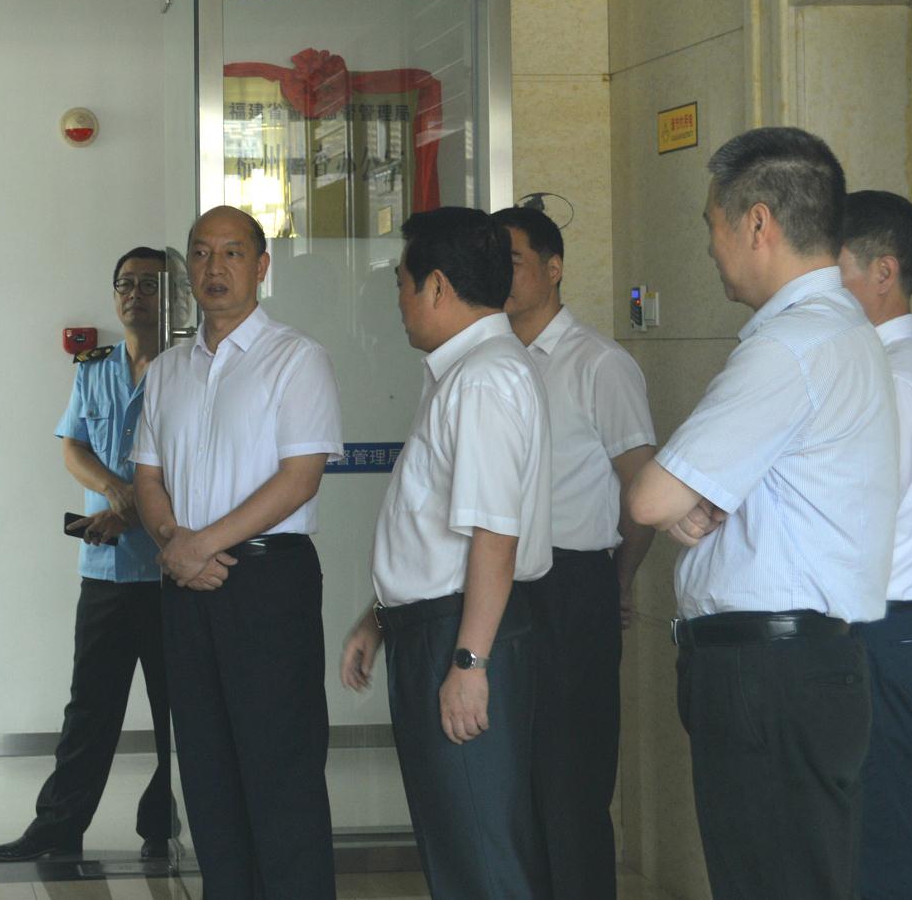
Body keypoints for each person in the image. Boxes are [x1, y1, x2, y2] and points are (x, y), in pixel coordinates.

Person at [627, 126, 897, 899]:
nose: (709, 246)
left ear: (756, 224)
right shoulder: (838, 331)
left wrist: (678, 502)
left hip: (769, 673)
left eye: (711, 224)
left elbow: (649, 497)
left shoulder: (790, 346)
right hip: (798, 664)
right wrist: (691, 500)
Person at [341, 206, 552, 899]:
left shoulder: (485, 378)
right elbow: (434, 527)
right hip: (440, 626)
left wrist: (469, 662)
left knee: (481, 852)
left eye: (401, 285)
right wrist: (379, 615)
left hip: (461, 633)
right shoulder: (463, 371)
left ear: (435, 285)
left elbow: (494, 534)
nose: (399, 304)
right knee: (458, 845)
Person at [131, 205, 341, 899]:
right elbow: (148, 477)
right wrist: (174, 544)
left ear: (261, 266)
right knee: (206, 767)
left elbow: (299, 478)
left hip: (266, 579)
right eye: (200, 253)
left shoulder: (296, 358)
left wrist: (200, 544)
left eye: (231, 252)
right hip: (184, 580)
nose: (213, 267)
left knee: (280, 769)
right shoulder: (167, 370)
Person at [0, 247, 175, 863]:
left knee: (177, 711)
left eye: (149, 284)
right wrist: (115, 492)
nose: (135, 295)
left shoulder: (189, 369)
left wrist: (128, 508)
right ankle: (58, 826)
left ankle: (163, 819)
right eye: (125, 284)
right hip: (105, 570)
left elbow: (193, 465)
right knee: (90, 707)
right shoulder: (94, 368)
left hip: (172, 569)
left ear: (172, 295)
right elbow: (73, 446)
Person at [493, 205, 656, 899]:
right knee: (508, 784)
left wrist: (616, 581)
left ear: (553, 268)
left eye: (512, 260)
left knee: (572, 784)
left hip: (572, 585)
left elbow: (643, 490)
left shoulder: (599, 364)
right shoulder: (482, 360)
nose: (498, 275)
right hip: (496, 582)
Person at [836, 189, 912, 900]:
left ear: (883, 272)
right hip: (875, 631)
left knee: (887, 843)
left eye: (836, 270)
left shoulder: (897, 379)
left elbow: (858, 518)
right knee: (867, 837)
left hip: (879, 631)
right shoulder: (880, 370)